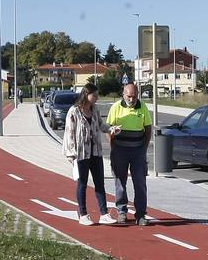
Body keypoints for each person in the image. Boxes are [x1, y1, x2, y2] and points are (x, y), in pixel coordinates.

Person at [62, 84, 115, 226]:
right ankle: (83, 214)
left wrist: (111, 129)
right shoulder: (74, 111)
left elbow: (101, 125)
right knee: (82, 184)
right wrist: (71, 154)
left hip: (95, 152)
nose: (97, 98)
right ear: (86, 95)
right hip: (80, 154)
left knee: (100, 183)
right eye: (95, 95)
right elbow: (69, 133)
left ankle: (104, 214)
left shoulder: (95, 109)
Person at [106, 81, 152, 225]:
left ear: (138, 95)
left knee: (140, 182)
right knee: (120, 182)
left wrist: (144, 148)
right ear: (123, 94)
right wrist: (112, 144)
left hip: (138, 150)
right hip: (119, 150)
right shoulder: (116, 107)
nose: (132, 100)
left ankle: (141, 214)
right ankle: (122, 211)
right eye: (129, 96)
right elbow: (108, 128)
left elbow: (148, 129)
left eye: (134, 96)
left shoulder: (142, 107)